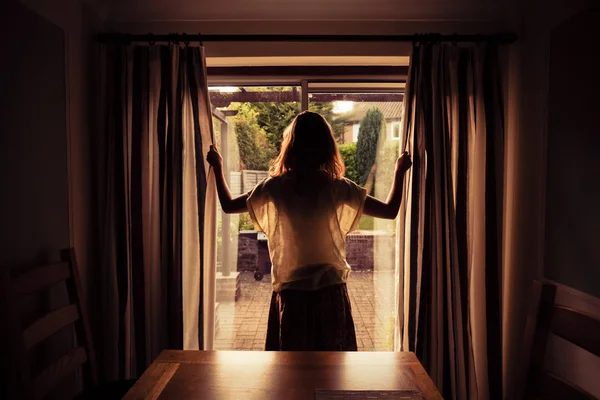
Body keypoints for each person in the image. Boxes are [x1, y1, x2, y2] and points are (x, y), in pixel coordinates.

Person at [206, 111, 411, 351]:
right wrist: (399, 172)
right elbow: (390, 211)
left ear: (291, 145)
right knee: (333, 372)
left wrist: (218, 168)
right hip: (330, 295)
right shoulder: (338, 187)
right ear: (326, 145)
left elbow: (229, 206)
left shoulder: (276, 186)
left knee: (292, 374)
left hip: (292, 295)